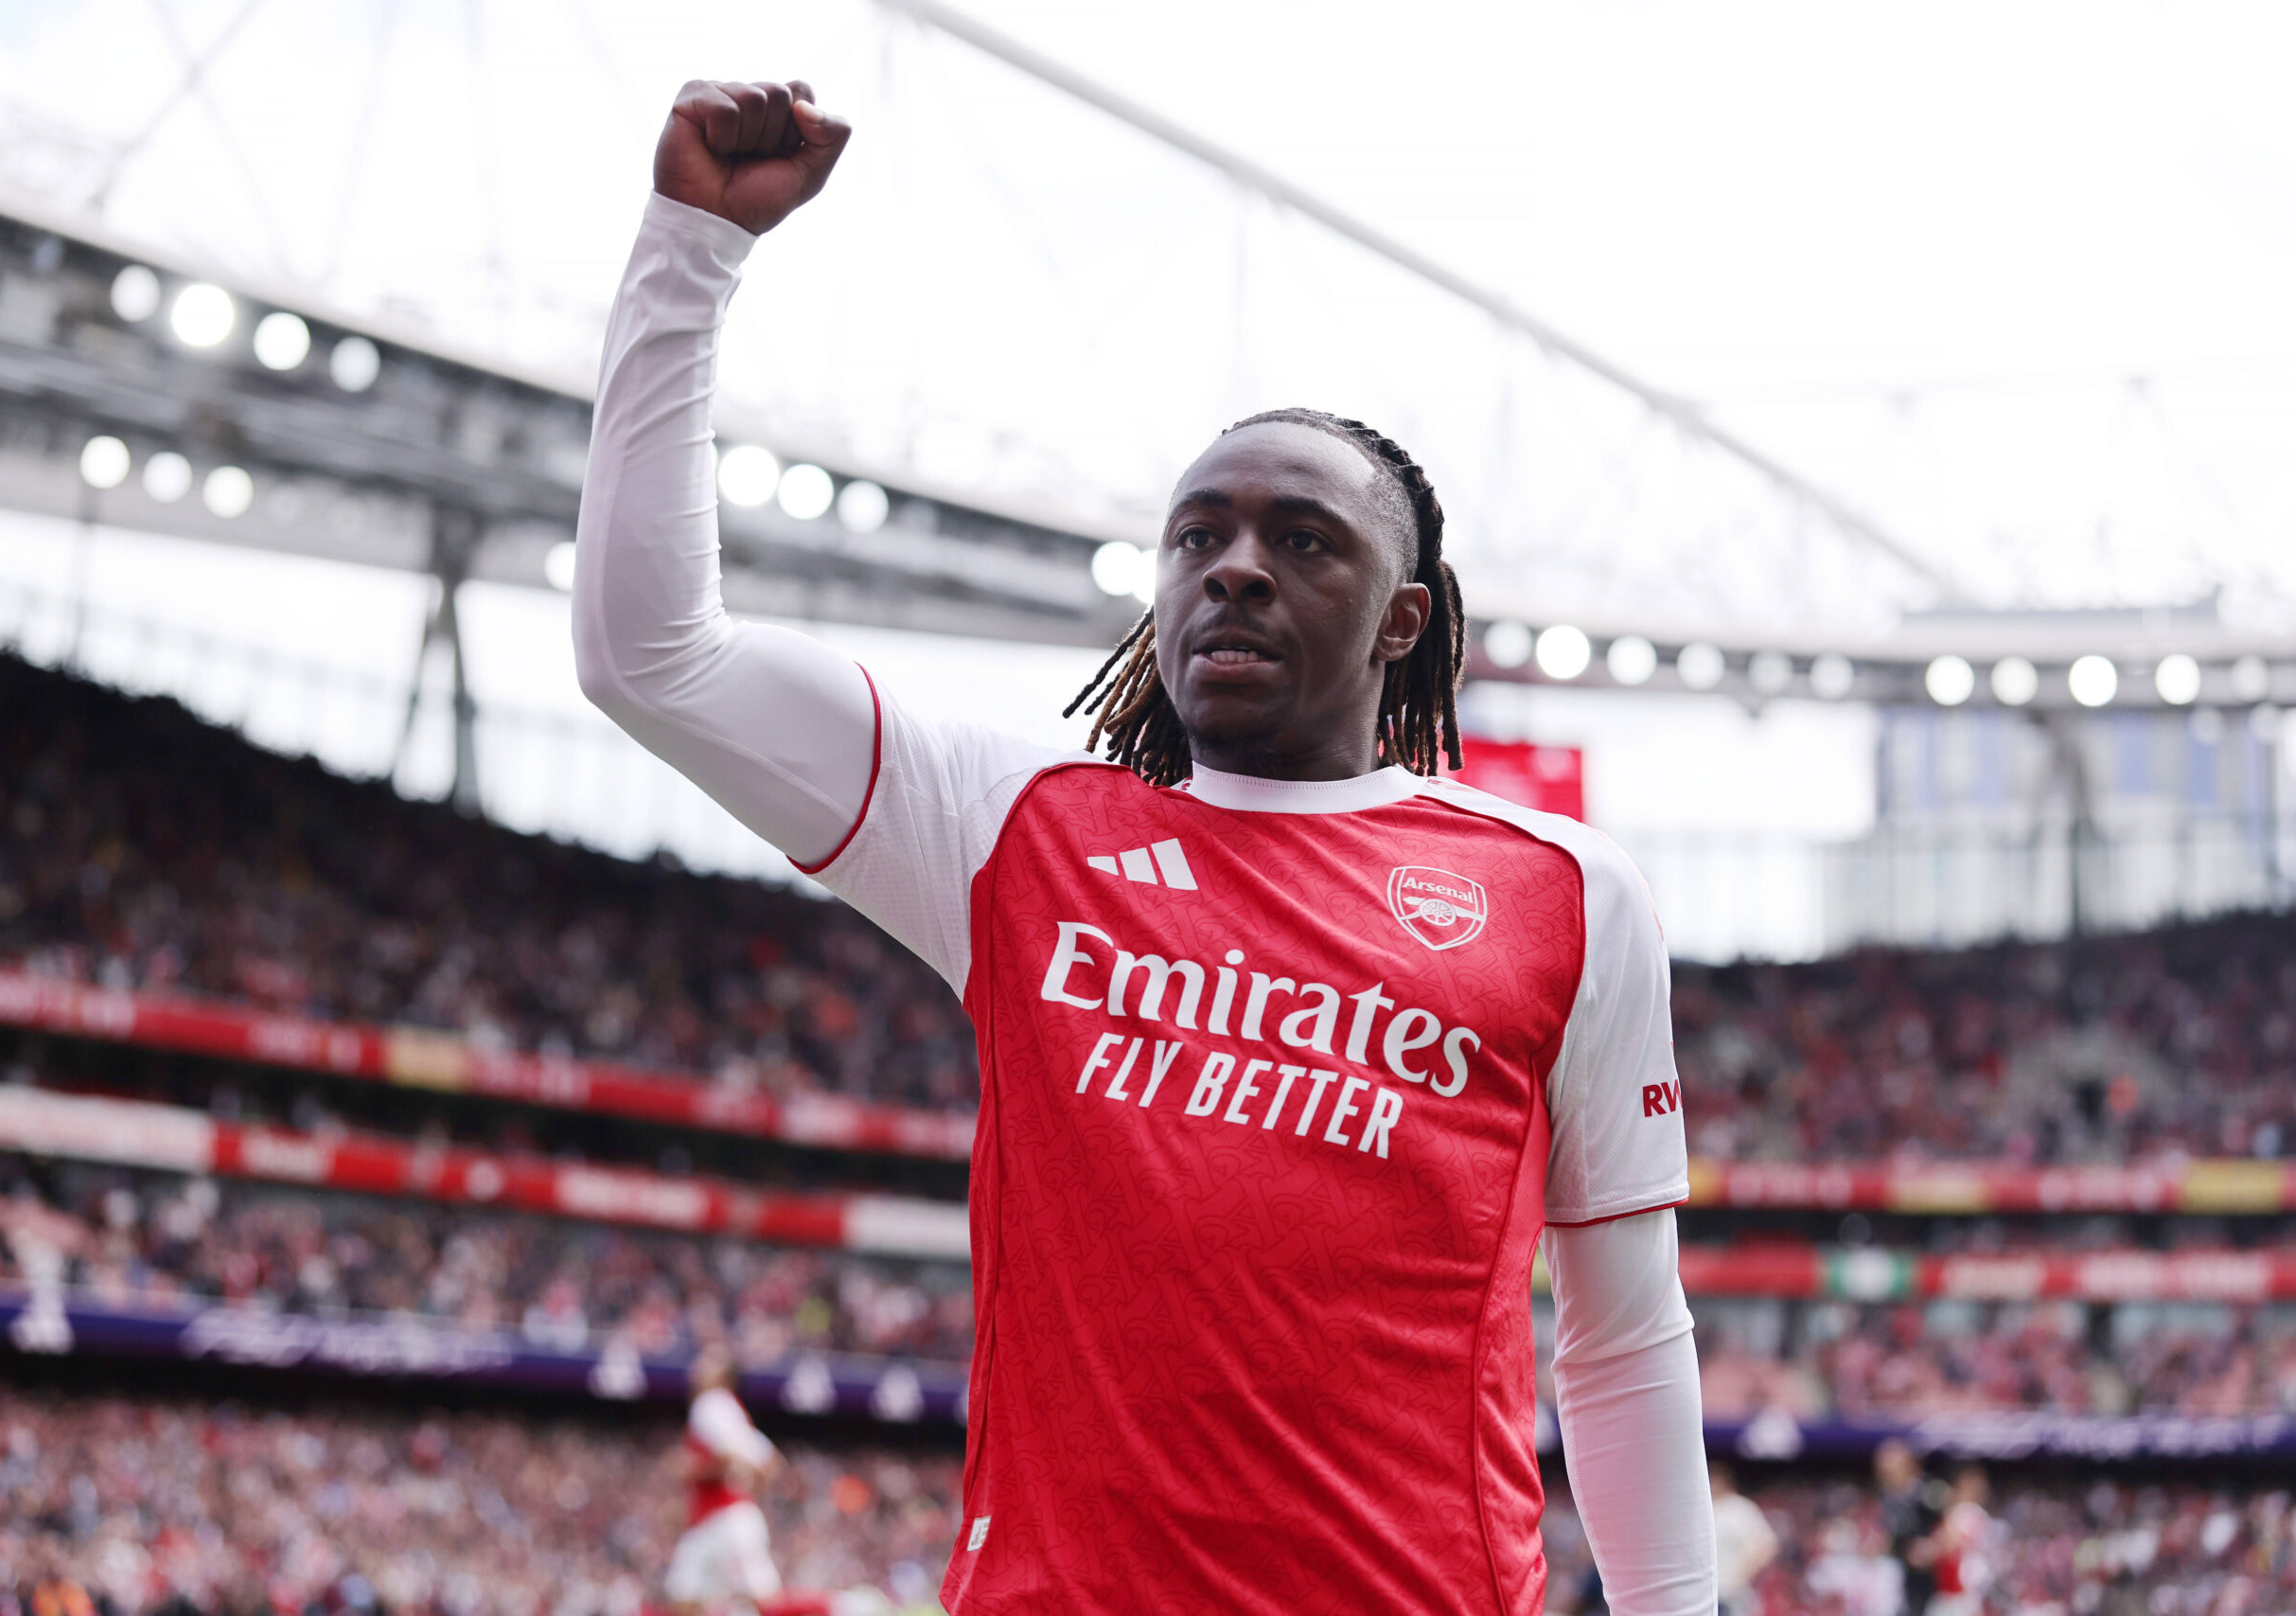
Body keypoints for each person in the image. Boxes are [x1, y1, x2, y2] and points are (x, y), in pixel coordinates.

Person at [576, 77, 1714, 1614]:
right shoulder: (1015, 824)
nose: (1235, 569)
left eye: (1301, 539)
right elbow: (652, 656)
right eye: (1198, 536)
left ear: (1405, 620)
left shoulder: (1567, 895)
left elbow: (1627, 1335)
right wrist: (692, 249)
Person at [664, 1347, 785, 1615]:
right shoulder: (732, 1410)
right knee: (687, 1597)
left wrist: (694, 1470)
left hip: (726, 1519)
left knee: (760, 1598)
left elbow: (730, 1457)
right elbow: (768, 1462)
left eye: (709, 1362)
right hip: (716, 1519)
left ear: (724, 1376)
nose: (698, 1367)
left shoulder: (711, 1403)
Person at [1874, 1440, 1942, 1616]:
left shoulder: (1928, 1490)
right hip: (1899, 1571)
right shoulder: (1885, 1496)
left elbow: (1950, 1522)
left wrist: (1933, 1546)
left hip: (1931, 1574)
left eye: (1891, 1466)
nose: (1886, 1472)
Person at [1710, 1462, 1776, 1616]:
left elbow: (1767, 1546)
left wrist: (1741, 1577)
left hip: (1733, 1593)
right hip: (1705, 1592)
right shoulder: (1701, 1508)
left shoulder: (1740, 1508)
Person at [1924, 1465, 1992, 1616]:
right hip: (1949, 1590)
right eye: (1967, 1486)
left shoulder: (1972, 1512)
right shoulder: (1956, 1511)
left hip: (1965, 1591)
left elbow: (1949, 1544)